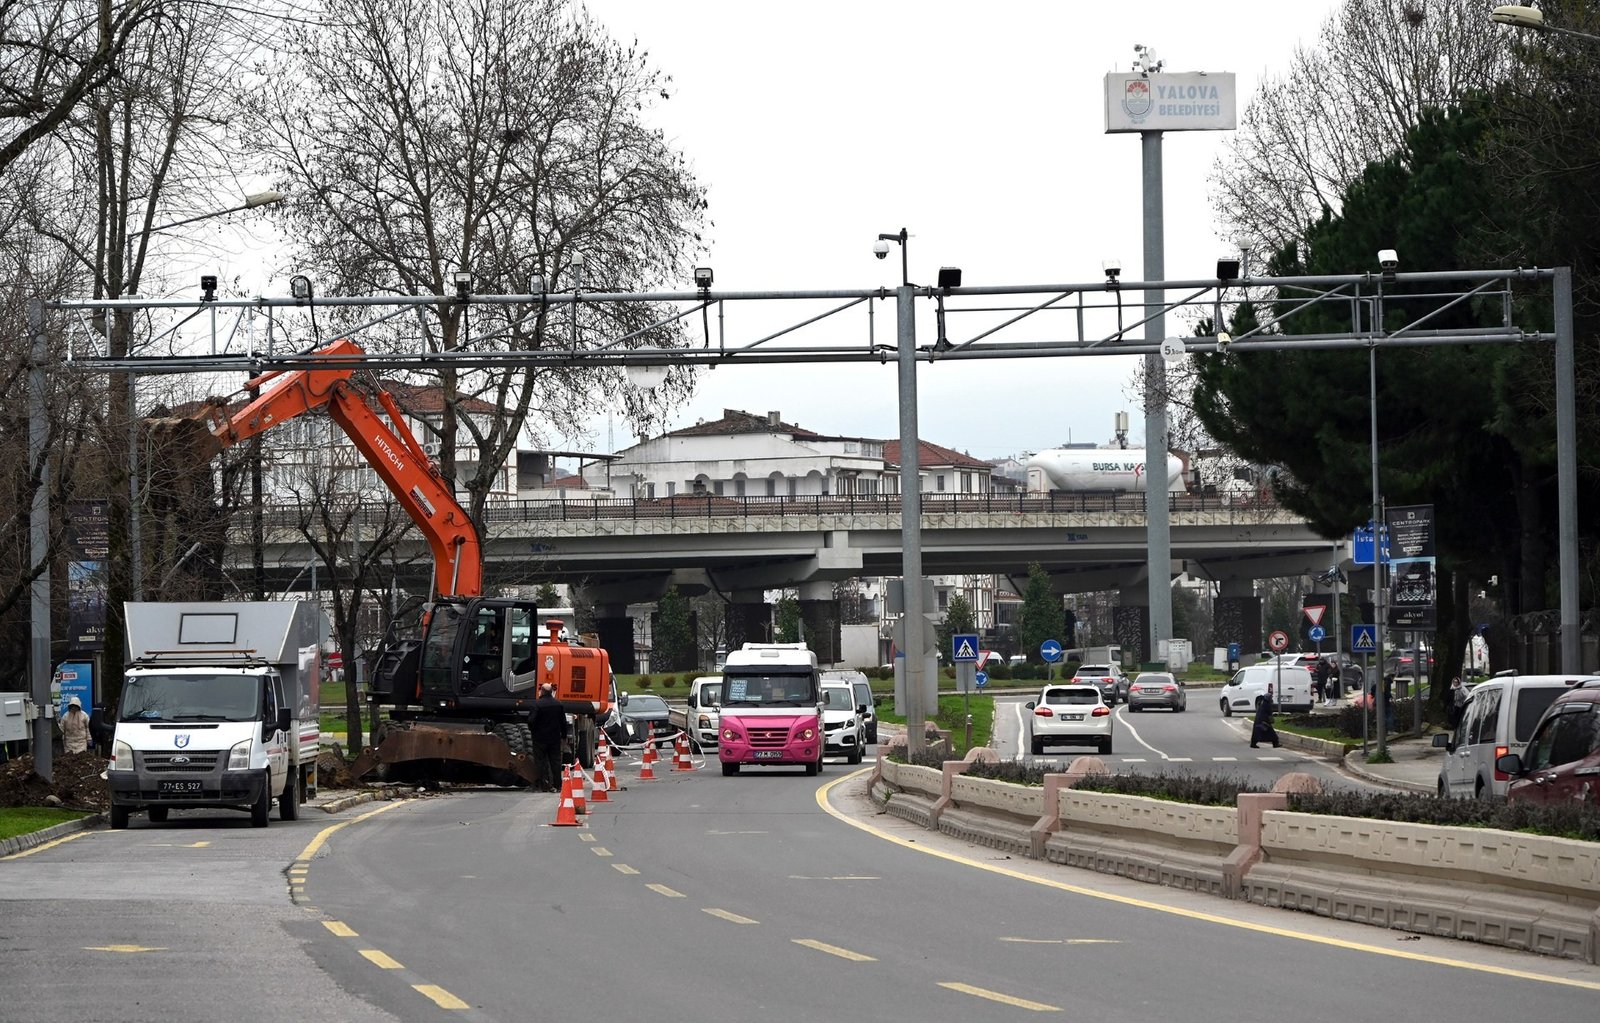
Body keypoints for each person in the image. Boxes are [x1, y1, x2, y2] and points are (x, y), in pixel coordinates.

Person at [528, 683, 568, 792]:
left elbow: (531, 720)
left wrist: (533, 730)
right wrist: (564, 736)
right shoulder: (558, 704)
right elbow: (563, 722)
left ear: (542, 691)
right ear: (551, 692)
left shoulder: (537, 705)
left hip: (539, 738)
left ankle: (544, 785)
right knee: (555, 761)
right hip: (554, 738)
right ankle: (558, 785)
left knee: (541, 761)